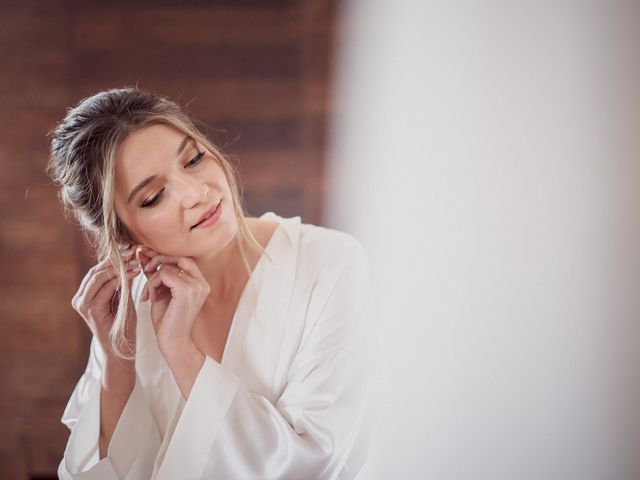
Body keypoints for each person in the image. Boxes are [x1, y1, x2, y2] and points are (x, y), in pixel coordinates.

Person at [46, 87, 377, 479]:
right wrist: (117, 356)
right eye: (154, 197)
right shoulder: (129, 307)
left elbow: (312, 462)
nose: (196, 193)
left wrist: (182, 353)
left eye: (194, 159)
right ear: (124, 237)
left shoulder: (329, 263)